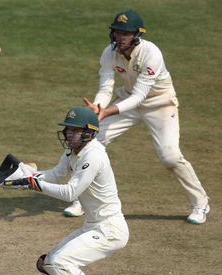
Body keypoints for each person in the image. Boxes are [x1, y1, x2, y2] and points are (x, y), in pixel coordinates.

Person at [63, 9, 210, 225]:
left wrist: (107, 112)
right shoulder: (108, 53)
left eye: (126, 34)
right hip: (127, 101)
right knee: (89, 141)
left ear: (137, 36)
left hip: (160, 103)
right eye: (117, 32)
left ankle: (200, 203)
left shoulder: (152, 54)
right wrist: (98, 107)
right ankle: (83, 199)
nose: (120, 38)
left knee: (169, 156)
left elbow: (141, 96)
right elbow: (106, 87)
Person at [2, 106, 129, 275]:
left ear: (89, 132)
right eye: (68, 130)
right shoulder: (73, 151)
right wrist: (25, 176)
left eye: (75, 131)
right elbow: (55, 175)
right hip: (94, 225)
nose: (69, 135)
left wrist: (35, 184)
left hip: (110, 229)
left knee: (58, 263)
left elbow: (70, 192)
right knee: (46, 264)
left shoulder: (94, 156)